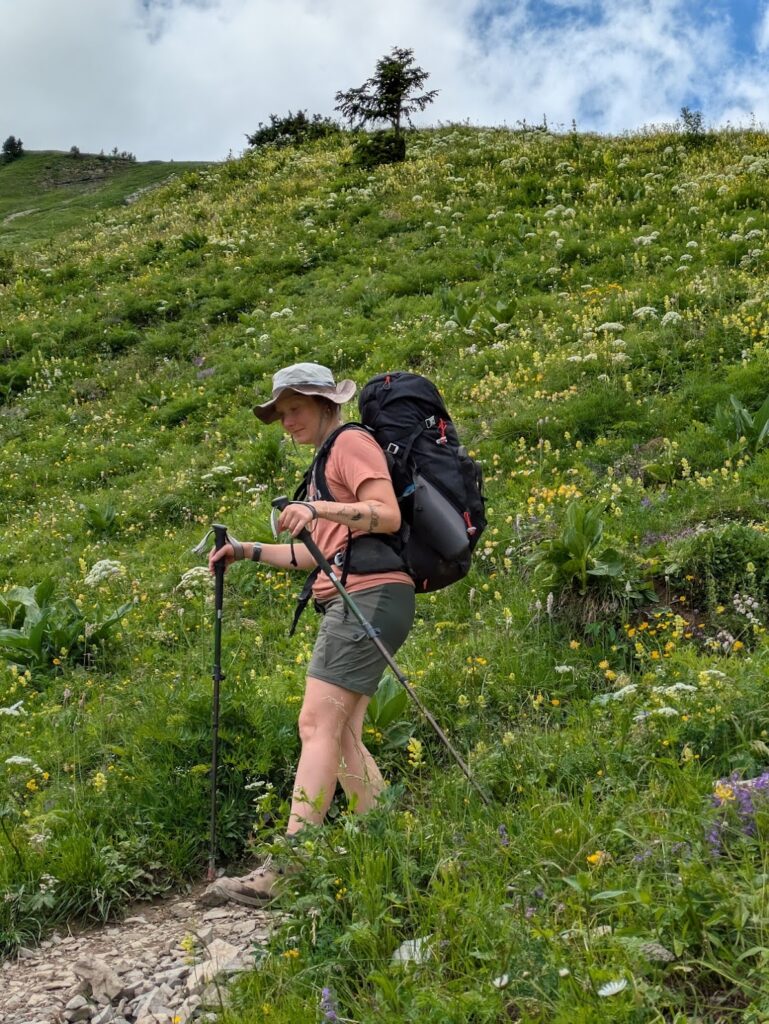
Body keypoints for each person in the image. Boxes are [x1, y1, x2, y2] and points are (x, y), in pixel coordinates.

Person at [201, 362, 415, 906]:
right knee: (340, 734)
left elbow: (385, 515)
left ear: (325, 403)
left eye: (293, 409)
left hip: (367, 597)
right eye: (278, 413)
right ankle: (390, 844)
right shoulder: (325, 463)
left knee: (315, 722)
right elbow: (312, 555)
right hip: (363, 595)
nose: (285, 421)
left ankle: (290, 865)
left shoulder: (350, 443)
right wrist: (246, 551)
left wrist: (314, 507)